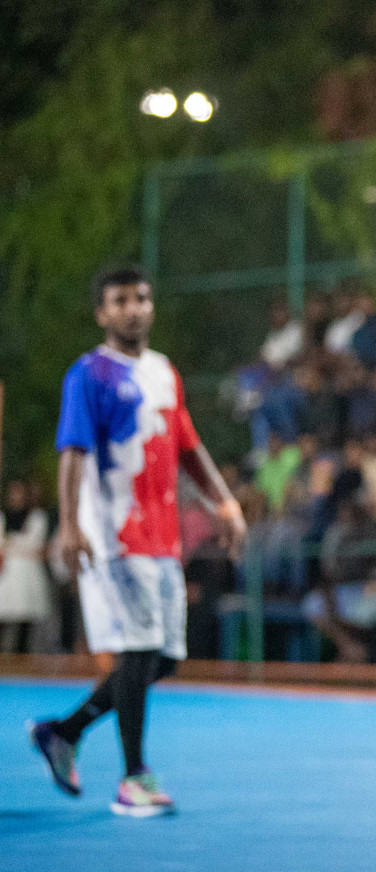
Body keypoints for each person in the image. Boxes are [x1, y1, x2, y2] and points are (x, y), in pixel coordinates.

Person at [27, 265, 246, 817]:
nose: (132, 308)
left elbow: (188, 448)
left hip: (162, 535)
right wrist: (72, 526)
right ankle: (133, 779)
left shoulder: (164, 373)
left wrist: (224, 502)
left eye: (141, 298)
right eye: (119, 300)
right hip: (113, 535)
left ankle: (64, 732)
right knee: (140, 650)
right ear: (102, 313)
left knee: (163, 660)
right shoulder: (89, 374)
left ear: (152, 307)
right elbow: (72, 452)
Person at [0, 481, 55, 653]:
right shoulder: (3, 516)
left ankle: (22, 656)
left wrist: (12, 544)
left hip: (29, 574)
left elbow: (36, 545)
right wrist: (20, 544)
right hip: (9, 573)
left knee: (26, 620)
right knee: (6, 615)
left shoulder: (37, 516)